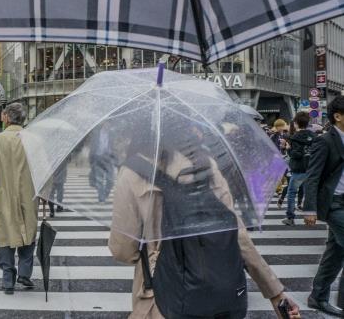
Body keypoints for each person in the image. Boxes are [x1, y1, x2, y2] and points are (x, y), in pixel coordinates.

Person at [109, 131, 300, 319]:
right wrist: (276, 294)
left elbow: (123, 250)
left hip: (160, 294)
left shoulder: (131, 172)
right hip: (214, 291)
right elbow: (238, 236)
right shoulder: (206, 165)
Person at [0, 103, 37, 295]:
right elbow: (44, 170)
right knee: (28, 232)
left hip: (3, 194)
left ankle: (8, 278)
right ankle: (25, 273)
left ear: (5, 117)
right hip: (30, 194)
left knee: (5, 234)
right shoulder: (34, 139)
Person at [304, 96, 344, 316]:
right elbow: (312, 176)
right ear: (338, 117)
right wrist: (310, 209)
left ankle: (318, 297)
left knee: (335, 253)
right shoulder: (325, 140)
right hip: (334, 204)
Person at [282, 112, 314, 226]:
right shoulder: (313, 136)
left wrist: (288, 149)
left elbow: (297, 154)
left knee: (291, 193)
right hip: (311, 169)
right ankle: (311, 216)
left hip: (298, 169)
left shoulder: (294, 138)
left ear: (296, 123)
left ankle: (290, 217)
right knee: (309, 193)